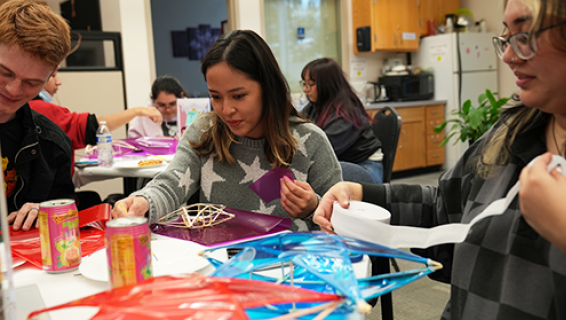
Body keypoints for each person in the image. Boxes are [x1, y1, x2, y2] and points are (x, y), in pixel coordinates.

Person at [313, 0, 566, 319]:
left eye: (526, 34)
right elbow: (444, 209)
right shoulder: (510, 132)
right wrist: (361, 196)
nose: (508, 55)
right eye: (506, 37)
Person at [112, 30, 342, 231]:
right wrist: (144, 201)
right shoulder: (204, 132)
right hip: (219, 265)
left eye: (239, 96)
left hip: (290, 269)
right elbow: (171, 183)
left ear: (267, 88)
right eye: (215, 96)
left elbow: (342, 222)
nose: (226, 109)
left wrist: (313, 207)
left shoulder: (310, 141)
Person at [0, 0, 75, 231]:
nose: (13, 90)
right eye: (4, 73)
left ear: (51, 76)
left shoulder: (52, 145)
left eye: (31, 83)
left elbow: (66, 219)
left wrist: (50, 214)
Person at [29, 70, 163, 154]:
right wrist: (136, 111)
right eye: (53, 75)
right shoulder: (40, 109)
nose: (59, 82)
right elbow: (91, 127)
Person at [300, 58, 384, 183]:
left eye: (310, 84)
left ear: (326, 85)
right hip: (345, 163)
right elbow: (299, 126)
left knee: (314, 182)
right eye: (304, 83)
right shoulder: (316, 105)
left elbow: (321, 151)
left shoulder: (345, 113)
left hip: (364, 167)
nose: (305, 89)